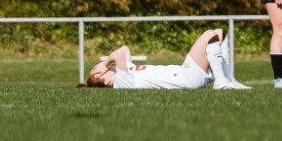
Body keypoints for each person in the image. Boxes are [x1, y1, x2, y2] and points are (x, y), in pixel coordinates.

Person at [85, 28, 250, 90]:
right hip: (186, 77)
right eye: (102, 72)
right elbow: (119, 54)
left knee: (219, 33)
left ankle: (228, 80)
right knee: (209, 34)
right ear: (104, 81)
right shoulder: (122, 83)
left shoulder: (126, 72)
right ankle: (221, 81)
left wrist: (103, 66)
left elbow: (124, 49)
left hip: (186, 76)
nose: (107, 69)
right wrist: (106, 62)